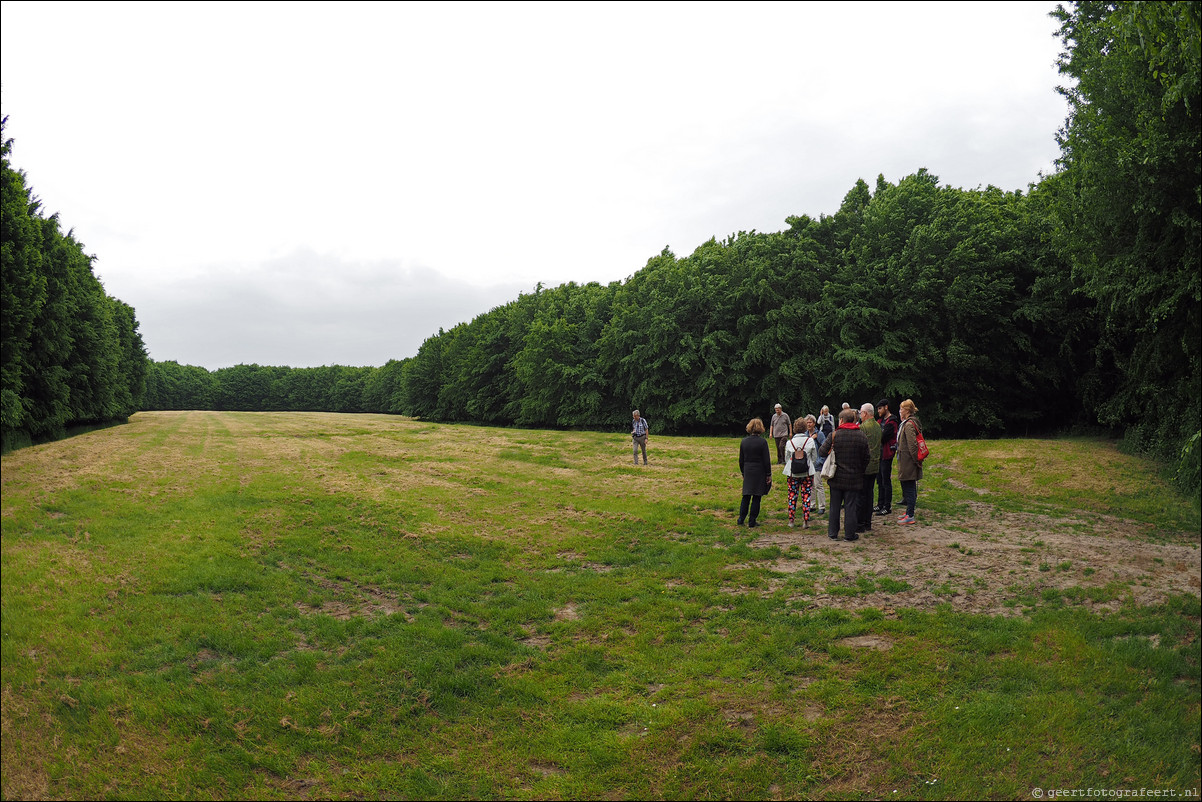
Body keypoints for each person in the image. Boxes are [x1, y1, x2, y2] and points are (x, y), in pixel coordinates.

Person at [818, 408, 870, 541]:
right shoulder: (862, 436)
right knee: (851, 507)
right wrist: (860, 470)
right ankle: (849, 535)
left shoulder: (835, 435)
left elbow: (822, 452)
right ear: (853, 420)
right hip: (854, 477)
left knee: (834, 506)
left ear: (841, 420)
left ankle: (832, 533)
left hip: (836, 476)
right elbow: (866, 458)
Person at [783, 418, 819, 528]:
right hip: (807, 473)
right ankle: (806, 521)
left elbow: (787, 459)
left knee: (792, 496)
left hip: (792, 473)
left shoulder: (790, 443)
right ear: (804, 428)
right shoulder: (810, 441)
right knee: (806, 496)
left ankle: (791, 521)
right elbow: (814, 458)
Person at [738, 418, 773, 527]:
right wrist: (768, 474)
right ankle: (752, 521)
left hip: (748, 469)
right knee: (757, 496)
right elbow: (766, 460)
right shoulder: (762, 442)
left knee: (746, 496)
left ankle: (741, 518)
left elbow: (741, 460)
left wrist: (743, 472)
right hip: (759, 470)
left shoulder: (744, 442)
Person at [896, 399, 924, 525]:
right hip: (906, 459)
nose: (900, 411)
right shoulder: (909, 423)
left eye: (902, 409)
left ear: (906, 410)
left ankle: (910, 514)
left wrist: (915, 460)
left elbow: (912, 445)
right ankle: (908, 512)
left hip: (908, 460)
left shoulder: (908, 425)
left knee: (909, 487)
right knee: (908, 486)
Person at [857, 403, 882, 534]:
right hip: (875, 464)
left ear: (865, 413)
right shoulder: (878, 426)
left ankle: (860, 523)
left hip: (865, 466)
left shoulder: (863, 427)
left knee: (861, 496)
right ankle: (868, 522)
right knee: (870, 494)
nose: (860, 415)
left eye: (861, 413)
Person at [875, 399, 899, 517]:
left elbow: (882, 437)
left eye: (880, 408)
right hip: (879, 454)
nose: (878, 411)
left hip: (886, 454)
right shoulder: (880, 421)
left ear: (886, 407)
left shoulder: (892, 421)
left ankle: (887, 506)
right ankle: (880, 503)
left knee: (886, 480)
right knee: (879, 480)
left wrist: (880, 433)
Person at [803, 414, 827, 514]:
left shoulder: (820, 434)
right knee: (810, 485)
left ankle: (822, 506)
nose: (809, 424)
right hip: (808, 464)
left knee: (818, 485)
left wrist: (820, 461)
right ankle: (812, 505)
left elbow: (825, 447)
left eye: (810, 422)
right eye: (807, 422)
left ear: (814, 423)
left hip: (817, 463)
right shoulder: (805, 434)